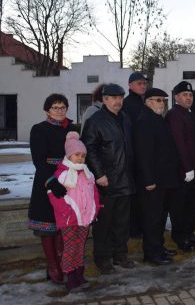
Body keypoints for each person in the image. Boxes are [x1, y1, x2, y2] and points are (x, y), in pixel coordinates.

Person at [81, 83, 136, 274]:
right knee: (104, 223)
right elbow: (89, 149)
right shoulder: (96, 121)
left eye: (120, 97)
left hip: (126, 179)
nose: (117, 101)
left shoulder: (126, 118)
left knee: (122, 221)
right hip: (107, 181)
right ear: (104, 100)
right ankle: (102, 258)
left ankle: (120, 254)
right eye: (113, 98)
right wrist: (99, 174)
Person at [28, 93, 75, 284]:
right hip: (47, 181)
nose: (59, 111)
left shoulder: (72, 129)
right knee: (48, 226)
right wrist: (51, 181)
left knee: (64, 226)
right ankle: (53, 266)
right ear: (47, 109)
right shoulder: (39, 129)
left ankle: (63, 262)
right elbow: (38, 160)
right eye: (55, 107)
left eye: (62, 107)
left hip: (69, 180)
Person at [133, 88, 181, 265]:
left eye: (163, 100)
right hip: (153, 182)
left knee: (160, 217)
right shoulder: (144, 121)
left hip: (164, 180)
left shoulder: (156, 119)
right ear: (148, 102)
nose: (162, 103)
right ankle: (151, 253)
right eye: (158, 100)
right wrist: (149, 180)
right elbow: (143, 154)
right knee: (152, 219)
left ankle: (159, 248)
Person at [48, 132, 100, 291]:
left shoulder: (87, 173)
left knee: (80, 247)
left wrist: (95, 208)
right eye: (76, 155)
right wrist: (68, 213)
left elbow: (94, 192)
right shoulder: (62, 174)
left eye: (83, 155)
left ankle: (79, 274)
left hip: (84, 218)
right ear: (69, 155)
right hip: (69, 219)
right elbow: (54, 196)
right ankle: (70, 276)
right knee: (70, 248)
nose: (80, 158)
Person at [165, 81, 195, 251]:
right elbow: (179, 143)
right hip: (183, 170)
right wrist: (187, 168)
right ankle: (180, 236)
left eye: (190, 95)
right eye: (184, 95)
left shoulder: (189, 114)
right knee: (179, 205)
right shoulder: (174, 115)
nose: (188, 98)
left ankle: (189, 233)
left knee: (191, 204)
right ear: (176, 97)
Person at [122, 72, 147, 239]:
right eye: (139, 83)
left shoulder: (140, 102)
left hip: (141, 154)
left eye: (144, 83)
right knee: (135, 195)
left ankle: (139, 226)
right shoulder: (128, 103)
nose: (143, 86)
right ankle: (134, 228)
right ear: (130, 85)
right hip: (134, 156)